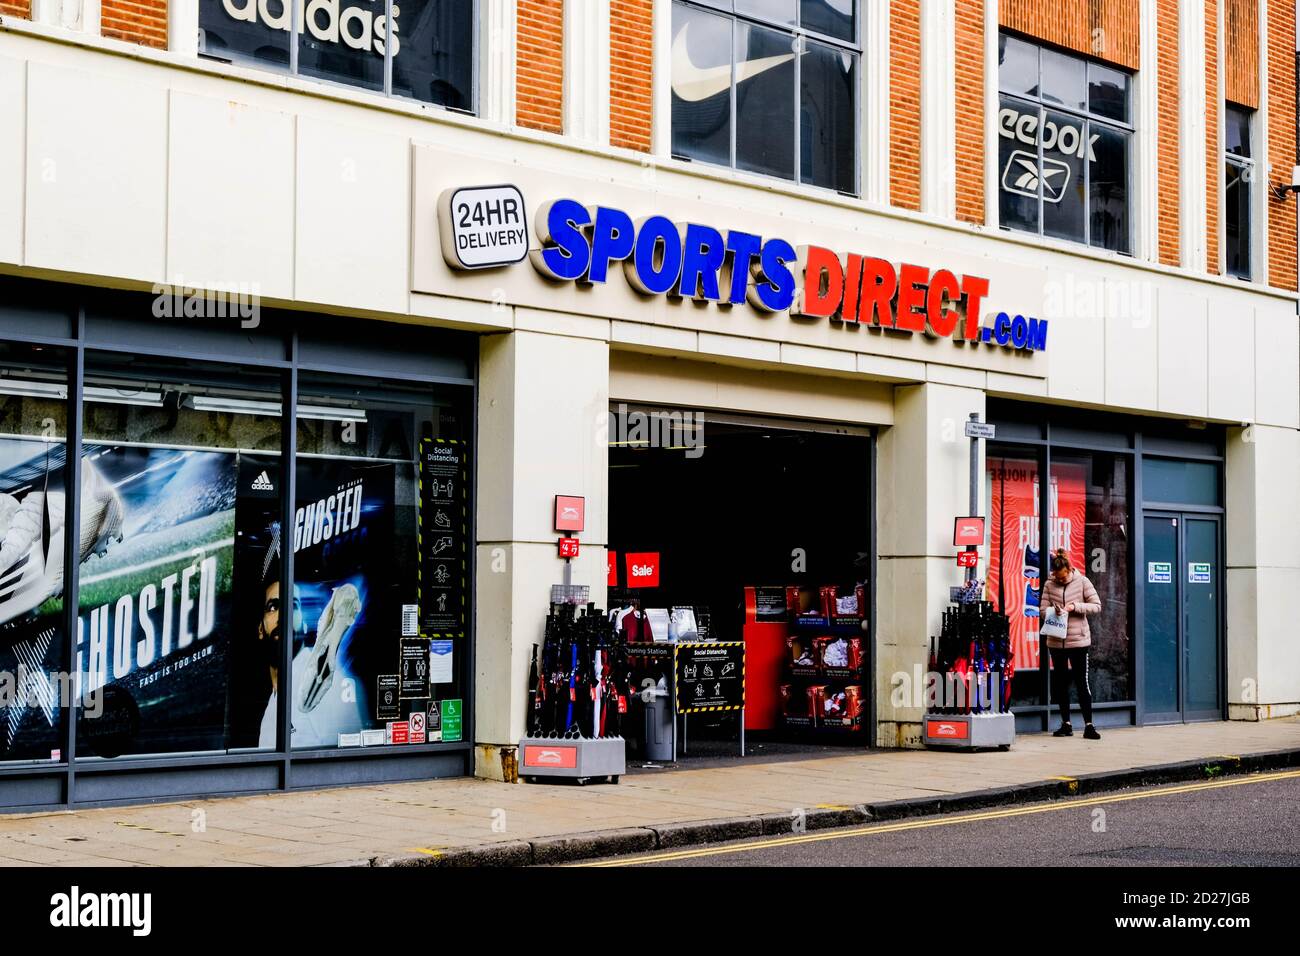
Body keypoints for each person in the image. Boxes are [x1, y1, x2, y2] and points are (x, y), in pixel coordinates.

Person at [1040, 548, 1103, 740]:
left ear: (1069, 569)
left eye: (1063, 577)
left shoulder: (1082, 581)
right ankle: (1066, 724)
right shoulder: (1049, 584)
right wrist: (1054, 611)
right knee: (1060, 684)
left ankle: (1089, 725)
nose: (1060, 580)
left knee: (1081, 682)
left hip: (1078, 641)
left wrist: (1075, 607)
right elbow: (1042, 610)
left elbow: (1097, 606)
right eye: (1056, 577)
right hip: (1056, 642)